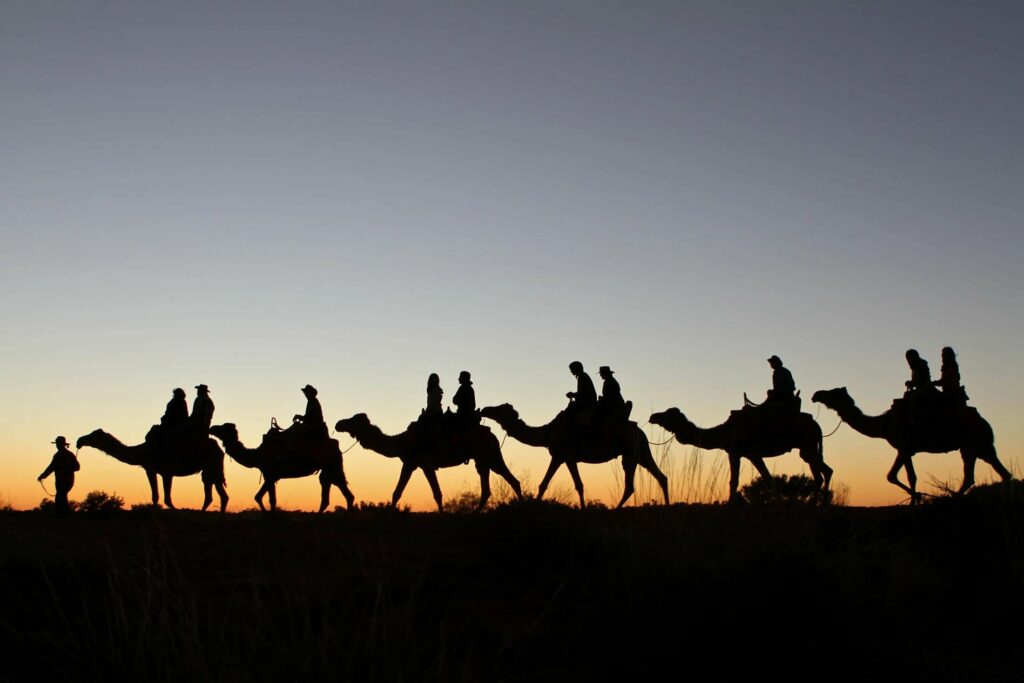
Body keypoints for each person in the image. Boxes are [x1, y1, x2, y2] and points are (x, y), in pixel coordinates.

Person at [38, 436, 80, 516]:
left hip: (62, 481)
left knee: (60, 498)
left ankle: (62, 516)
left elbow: (51, 467)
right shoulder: (70, 455)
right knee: (62, 497)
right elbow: (77, 467)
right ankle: (64, 516)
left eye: (58, 444)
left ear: (61, 445)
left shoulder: (58, 455)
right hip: (69, 481)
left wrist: (42, 476)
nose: (57, 446)